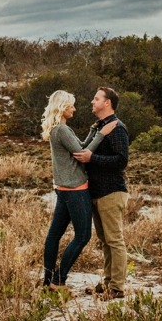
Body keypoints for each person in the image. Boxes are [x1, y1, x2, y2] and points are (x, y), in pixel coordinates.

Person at [41, 90, 118, 290]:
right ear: (63, 107)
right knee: (83, 236)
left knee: (54, 235)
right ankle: (58, 281)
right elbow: (83, 153)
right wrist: (102, 133)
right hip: (75, 189)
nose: (74, 109)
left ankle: (48, 280)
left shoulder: (59, 129)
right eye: (71, 106)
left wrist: (93, 131)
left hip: (63, 188)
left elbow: (80, 146)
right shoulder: (62, 130)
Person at [74, 87, 129, 299]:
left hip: (111, 191)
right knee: (105, 240)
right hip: (96, 192)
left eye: (96, 99)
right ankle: (108, 283)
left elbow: (122, 160)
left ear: (107, 103)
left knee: (114, 240)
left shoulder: (117, 128)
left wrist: (92, 159)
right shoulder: (100, 126)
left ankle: (117, 288)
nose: (92, 102)